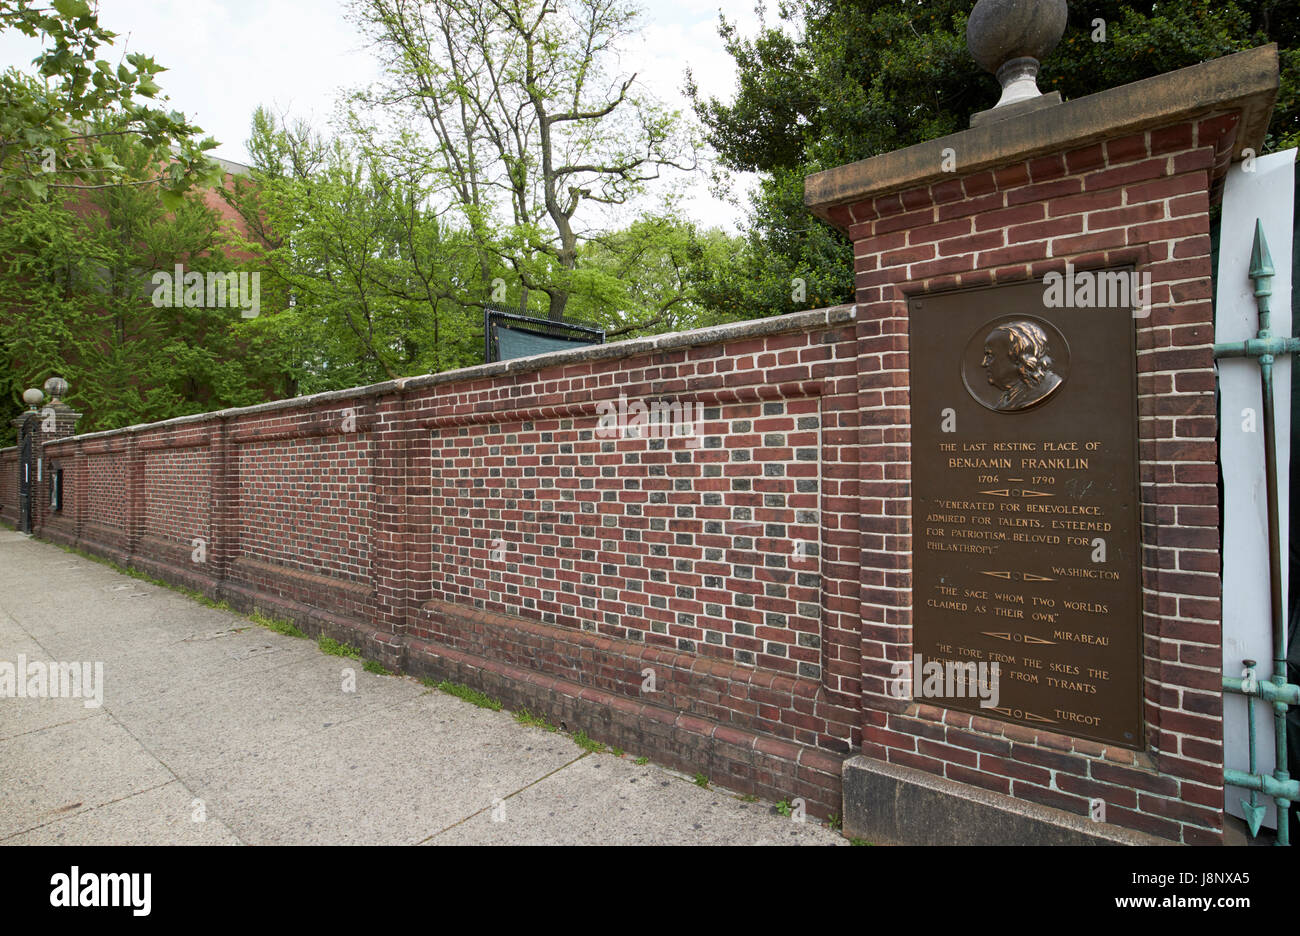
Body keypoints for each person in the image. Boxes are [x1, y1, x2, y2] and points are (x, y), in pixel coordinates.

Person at [981, 320, 1063, 411]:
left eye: (990, 355)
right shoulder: (1011, 397)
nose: (984, 363)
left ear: (1017, 357)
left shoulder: (1045, 388)